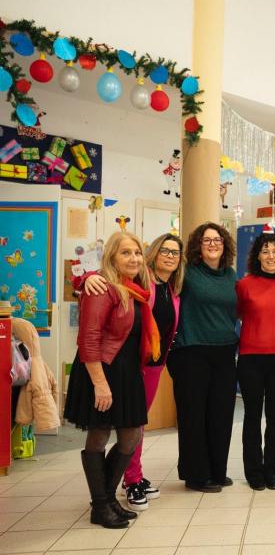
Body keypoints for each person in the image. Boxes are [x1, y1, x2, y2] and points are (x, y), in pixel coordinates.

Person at [82, 233, 185, 510]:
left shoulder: (172, 288)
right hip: (124, 366)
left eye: (175, 252)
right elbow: (106, 279)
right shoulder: (142, 279)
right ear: (154, 253)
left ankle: (115, 490)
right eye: (165, 250)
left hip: (151, 364)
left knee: (135, 428)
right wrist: (86, 277)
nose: (170, 256)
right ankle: (130, 481)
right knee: (127, 428)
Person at [64, 231, 157, 528]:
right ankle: (101, 505)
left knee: (131, 435)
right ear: (112, 257)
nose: (134, 258)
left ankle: (106, 499)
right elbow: (88, 338)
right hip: (102, 369)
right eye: (125, 252)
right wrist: (100, 383)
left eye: (137, 252)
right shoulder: (101, 287)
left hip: (126, 372)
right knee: (100, 434)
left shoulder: (134, 288)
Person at [167, 222, 238, 493]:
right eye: (206, 240)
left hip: (224, 352)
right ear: (198, 245)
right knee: (193, 416)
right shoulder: (186, 272)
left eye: (217, 239)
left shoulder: (230, 275)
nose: (212, 244)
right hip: (191, 352)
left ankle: (217, 471)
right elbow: (153, 277)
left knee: (221, 415)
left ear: (224, 244)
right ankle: (196, 475)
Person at [236, 230, 275, 491]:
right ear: (257, 256)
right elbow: (237, 314)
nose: (271, 256)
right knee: (251, 416)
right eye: (265, 251)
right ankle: (253, 471)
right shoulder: (244, 285)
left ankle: (273, 470)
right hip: (250, 359)